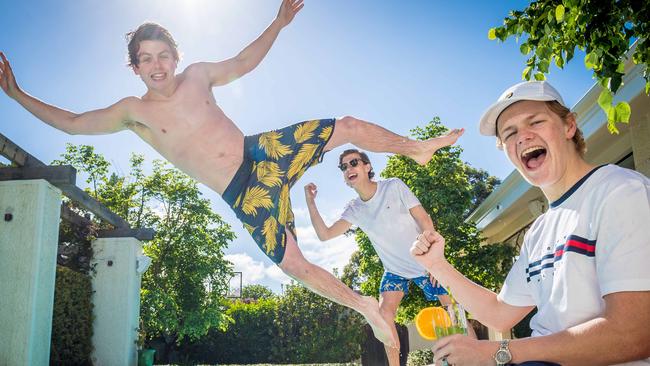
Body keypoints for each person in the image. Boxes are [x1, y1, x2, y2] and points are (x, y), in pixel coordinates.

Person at [0, 0, 464, 347]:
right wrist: (18, 95)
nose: (157, 65)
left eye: (163, 55)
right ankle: (365, 305)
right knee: (293, 264)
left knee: (345, 127)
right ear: (135, 66)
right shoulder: (132, 111)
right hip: (242, 193)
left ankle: (417, 149)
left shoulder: (199, 76)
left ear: (176, 57)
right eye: (146, 58)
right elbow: (76, 122)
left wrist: (278, 23)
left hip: (262, 153)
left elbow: (243, 61)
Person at [411, 81, 650, 365]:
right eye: (509, 133)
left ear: (568, 126)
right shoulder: (539, 230)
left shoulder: (620, 191)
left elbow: (634, 333)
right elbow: (499, 313)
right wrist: (438, 265)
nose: (522, 137)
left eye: (535, 122)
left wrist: (499, 354)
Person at [304, 148, 453, 365]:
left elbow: (424, 219)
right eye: (343, 167)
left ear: (367, 166)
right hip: (394, 271)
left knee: (452, 311)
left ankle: (475, 358)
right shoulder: (354, 209)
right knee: (384, 316)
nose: (348, 169)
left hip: (424, 262)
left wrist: (434, 260)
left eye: (353, 163)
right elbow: (325, 235)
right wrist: (311, 202)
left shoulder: (394, 186)